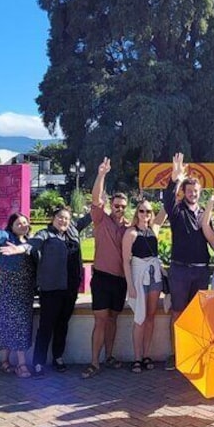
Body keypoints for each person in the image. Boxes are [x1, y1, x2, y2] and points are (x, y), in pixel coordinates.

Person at [3, 204, 91, 377]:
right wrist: (19, 249)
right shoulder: (45, 234)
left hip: (70, 288)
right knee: (46, 327)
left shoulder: (72, 231)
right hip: (51, 289)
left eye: (66, 218)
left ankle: (58, 357)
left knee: (62, 325)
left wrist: (100, 199)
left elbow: (89, 217)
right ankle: (38, 362)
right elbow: (32, 244)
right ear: (53, 218)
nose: (63, 221)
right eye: (60, 217)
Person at [162, 153, 211, 370]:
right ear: (184, 192)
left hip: (201, 271)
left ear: (200, 193)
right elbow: (167, 200)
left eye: (196, 192)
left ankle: (194, 352)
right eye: (189, 191)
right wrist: (176, 179)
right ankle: (177, 354)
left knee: (197, 316)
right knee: (178, 313)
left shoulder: (204, 214)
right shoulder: (177, 211)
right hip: (180, 270)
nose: (192, 194)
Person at [81, 158, 129, 379]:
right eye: (117, 206)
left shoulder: (128, 228)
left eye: (123, 207)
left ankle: (109, 356)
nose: (119, 209)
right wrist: (101, 174)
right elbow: (96, 198)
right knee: (100, 320)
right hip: (101, 278)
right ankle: (94, 362)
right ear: (111, 205)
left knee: (113, 320)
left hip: (120, 281)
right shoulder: (101, 219)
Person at [0, 210, 35, 379]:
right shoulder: (6, 238)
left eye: (25, 223)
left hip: (25, 290)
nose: (23, 226)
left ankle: (4, 361)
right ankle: (22, 364)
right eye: (19, 223)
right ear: (11, 226)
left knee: (13, 324)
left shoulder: (29, 242)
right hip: (9, 289)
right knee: (16, 325)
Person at [122, 200, 167, 373]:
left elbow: (167, 208)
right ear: (136, 212)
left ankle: (147, 354)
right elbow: (126, 262)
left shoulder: (154, 229)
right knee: (139, 318)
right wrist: (130, 286)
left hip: (154, 277)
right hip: (138, 277)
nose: (145, 214)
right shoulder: (131, 233)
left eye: (148, 211)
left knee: (150, 316)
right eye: (141, 211)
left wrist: (176, 183)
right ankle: (137, 357)